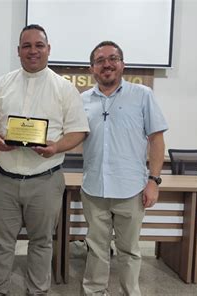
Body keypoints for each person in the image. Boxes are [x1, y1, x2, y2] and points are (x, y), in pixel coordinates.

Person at [0, 24, 89, 295]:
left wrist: (56, 147)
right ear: (18, 51)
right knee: (1, 242)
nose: (33, 51)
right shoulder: (1, 85)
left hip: (46, 180)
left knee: (41, 242)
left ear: (48, 49)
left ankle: (38, 291)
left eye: (39, 45)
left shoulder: (64, 89)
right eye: (26, 46)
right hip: (4, 179)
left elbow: (78, 131)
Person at [81, 41, 168, 296]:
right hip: (94, 188)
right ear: (92, 69)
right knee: (96, 248)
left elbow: (157, 140)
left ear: (123, 64)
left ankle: (130, 292)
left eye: (113, 58)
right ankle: (95, 292)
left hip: (131, 189)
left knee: (129, 250)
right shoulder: (82, 100)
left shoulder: (143, 95)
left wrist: (154, 180)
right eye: (100, 60)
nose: (107, 64)